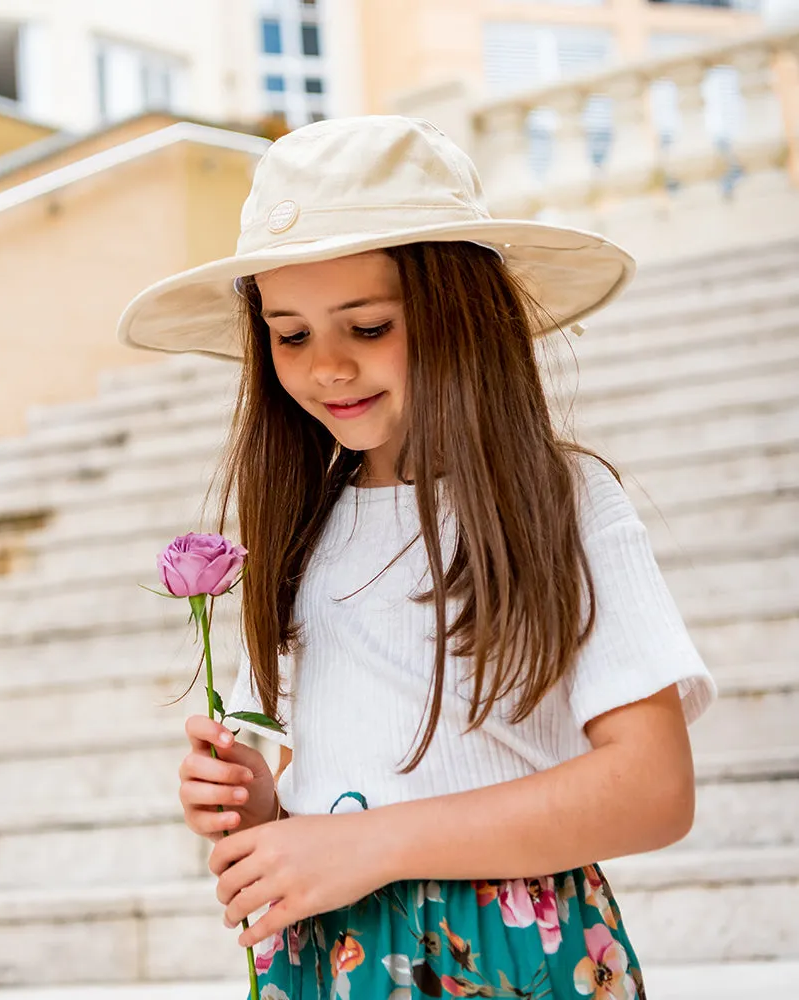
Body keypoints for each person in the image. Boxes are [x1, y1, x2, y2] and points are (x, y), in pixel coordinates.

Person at [117, 116, 716, 999]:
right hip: (329, 956)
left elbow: (654, 787)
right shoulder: (301, 531)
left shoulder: (562, 503)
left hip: (509, 955)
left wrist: (374, 843)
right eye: (290, 334)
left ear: (462, 315)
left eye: (366, 327)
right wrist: (257, 804)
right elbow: (326, 780)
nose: (327, 367)